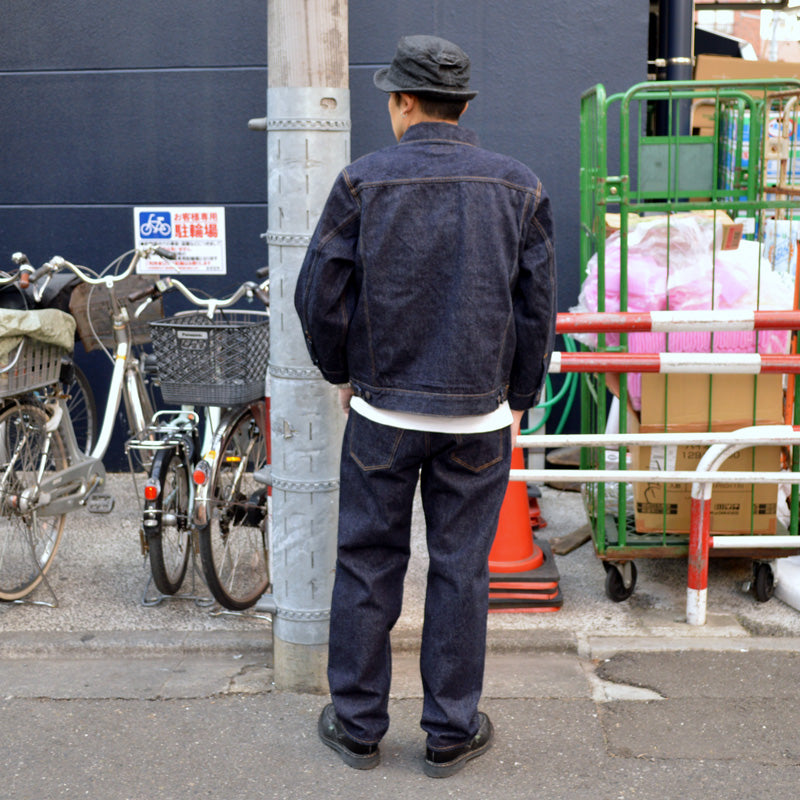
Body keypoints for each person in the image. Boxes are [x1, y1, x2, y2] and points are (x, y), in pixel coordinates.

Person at [295, 34, 557, 778]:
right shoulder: (521, 186)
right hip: (477, 418)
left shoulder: (362, 182)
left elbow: (318, 293)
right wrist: (520, 396)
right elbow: (537, 308)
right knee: (461, 569)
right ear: (465, 105)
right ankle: (448, 731)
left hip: (383, 413)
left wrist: (343, 369)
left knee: (369, 563)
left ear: (402, 103)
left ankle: (356, 727)